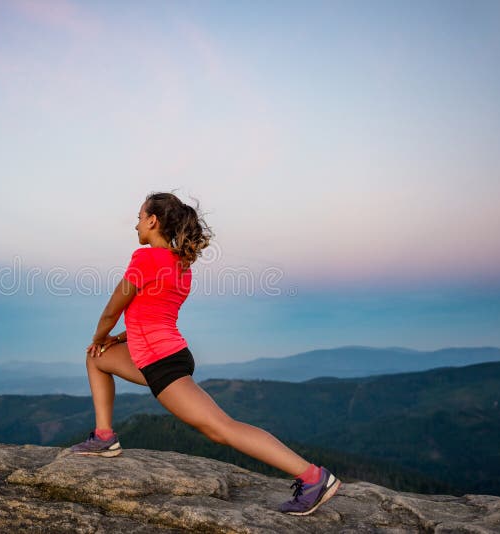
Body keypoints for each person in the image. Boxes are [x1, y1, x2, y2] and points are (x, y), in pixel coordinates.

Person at [69, 191, 341, 516]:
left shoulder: (145, 259)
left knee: (221, 428)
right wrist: (114, 341)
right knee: (96, 359)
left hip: (161, 363)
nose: (136, 225)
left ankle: (313, 478)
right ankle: (104, 436)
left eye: (139, 218)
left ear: (153, 221)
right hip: (164, 354)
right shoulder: (180, 265)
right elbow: (154, 315)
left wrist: (100, 335)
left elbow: (112, 310)